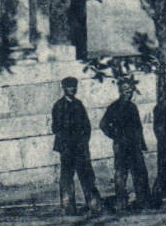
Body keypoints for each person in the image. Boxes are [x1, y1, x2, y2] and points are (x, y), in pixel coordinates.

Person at [100, 77, 155, 212]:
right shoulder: (114, 107)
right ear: (120, 91)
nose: (128, 93)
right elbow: (103, 124)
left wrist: (141, 143)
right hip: (121, 146)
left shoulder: (132, 106)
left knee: (140, 173)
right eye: (125, 90)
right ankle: (121, 201)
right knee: (121, 173)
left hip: (134, 145)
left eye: (130, 90)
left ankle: (143, 200)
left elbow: (138, 127)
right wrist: (116, 136)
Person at [51, 76, 102, 215]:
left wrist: (84, 141)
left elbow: (87, 126)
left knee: (87, 175)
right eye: (69, 86)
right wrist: (68, 141)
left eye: (74, 86)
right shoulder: (59, 106)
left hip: (80, 147)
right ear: (64, 88)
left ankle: (94, 205)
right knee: (67, 177)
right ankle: (68, 207)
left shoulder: (79, 104)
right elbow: (56, 128)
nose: (72, 89)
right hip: (67, 148)